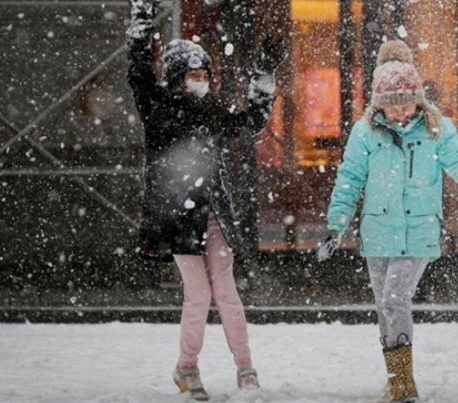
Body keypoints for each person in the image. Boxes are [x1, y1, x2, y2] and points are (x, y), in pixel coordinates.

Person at [317, 40, 458, 403]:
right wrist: (335, 226)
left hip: (418, 231)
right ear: (379, 104)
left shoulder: (437, 130)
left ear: (418, 98)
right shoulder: (365, 132)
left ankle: (404, 387)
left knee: (394, 300)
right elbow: (349, 180)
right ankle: (396, 379)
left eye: (407, 101)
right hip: (377, 232)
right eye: (392, 104)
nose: (401, 111)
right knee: (385, 308)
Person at [126, 0, 286, 400]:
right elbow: (139, 74)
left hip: (214, 214)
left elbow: (252, 120)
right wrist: (142, 23)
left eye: (205, 75)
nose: (201, 82)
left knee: (227, 290)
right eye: (193, 75)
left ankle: (245, 367)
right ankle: (186, 367)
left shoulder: (212, 111)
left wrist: (264, 74)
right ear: (178, 78)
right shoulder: (157, 108)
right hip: (178, 219)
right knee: (197, 293)